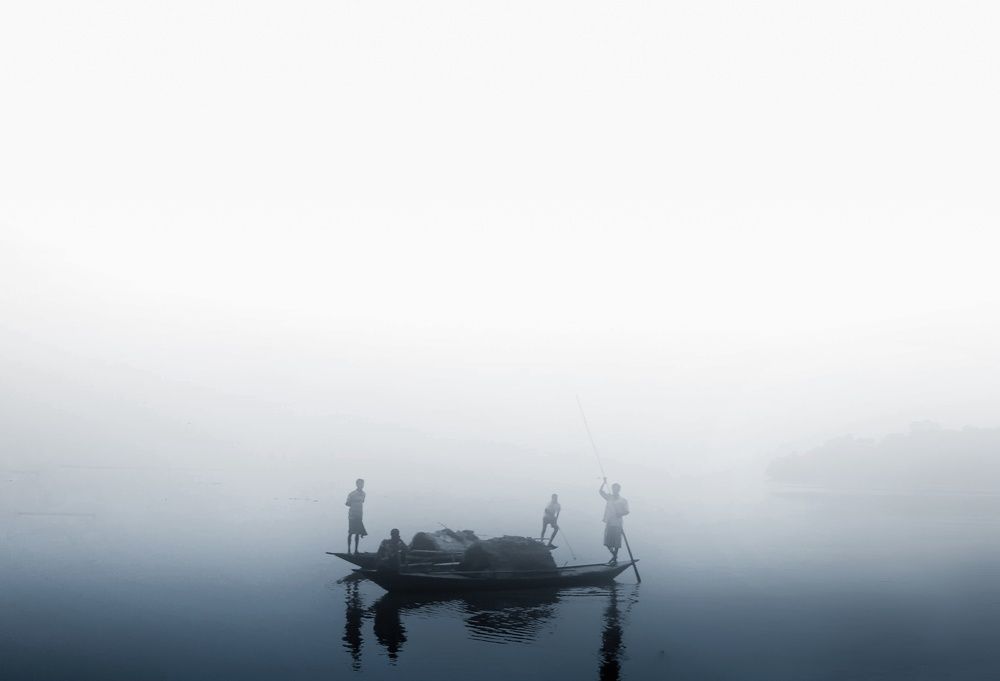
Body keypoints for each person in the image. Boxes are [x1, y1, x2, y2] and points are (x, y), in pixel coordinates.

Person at [599, 478, 629, 565]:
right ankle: (614, 556)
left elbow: (627, 511)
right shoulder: (609, 497)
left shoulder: (623, 500)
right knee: (607, 542)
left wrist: (620, 514)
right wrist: (604, 483)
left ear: (619, 490)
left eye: (616, 489)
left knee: (616, 542)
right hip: (609, 521)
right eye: (613, 489)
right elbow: (600, 491)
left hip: (618, 523)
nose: (614, 490)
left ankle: (615, 558)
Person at [345, 478, 367, 553]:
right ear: (357, 484)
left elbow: (362, 502)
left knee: (357, 533)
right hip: (352, 515)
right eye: (360, 484)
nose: (361, 485)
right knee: (351, 532)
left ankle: (356, 550)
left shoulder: (364, 494)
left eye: (362, 484)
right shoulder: (352, 494)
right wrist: (353, 503)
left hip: (359, 515)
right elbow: (347, 503)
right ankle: (348, 550)